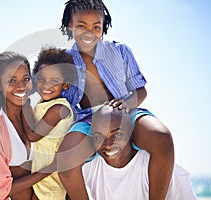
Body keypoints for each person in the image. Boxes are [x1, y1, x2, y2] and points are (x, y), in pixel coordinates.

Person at [57, 0, 174, 199]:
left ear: (103, 27)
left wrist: (128, 103)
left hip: (126, 110)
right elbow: (33, 86)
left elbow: (140, 89)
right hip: (88, 119)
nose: (89, 32)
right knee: (66, 160)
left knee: (161, 137)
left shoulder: (120, 51)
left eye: (96, 27)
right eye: (81, 26)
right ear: (69, 25)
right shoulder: (62, 61)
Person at [0, 51, 56, 200]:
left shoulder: (31, 113)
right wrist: (51, 169)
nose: (21, 87)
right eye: (12, 81)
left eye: (26, 79)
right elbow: (3, 189)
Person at [82, 106, 197, 200]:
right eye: (99, 137)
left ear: (130, 133)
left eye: (116, 135)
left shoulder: (164, 169)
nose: (107, 145)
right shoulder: (89, 168)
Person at [21, 47, 76, 200]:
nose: (46, 85)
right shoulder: (43, 104)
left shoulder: (59, 109)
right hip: (41, 174)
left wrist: (23, 105)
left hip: (52, 178)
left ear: (65, 85)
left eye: (54, 81)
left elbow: (33, 135)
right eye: (41, 79)